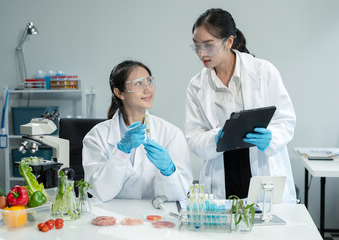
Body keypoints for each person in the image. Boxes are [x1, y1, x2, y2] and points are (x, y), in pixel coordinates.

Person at [185, 8, 296, 203]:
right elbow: (193, 136)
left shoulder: (263, 71)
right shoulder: (196, 85)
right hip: (222, 170)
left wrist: (270, 138)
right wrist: (215, 137)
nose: (201, 53)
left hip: (260, 164)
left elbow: (285, 120)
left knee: (266, 229)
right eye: (196, 46)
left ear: (229, 42)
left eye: (209, 45)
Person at [83, 60, 193, 202]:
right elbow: (99, 193)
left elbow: (181, 194)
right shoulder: (96, 136)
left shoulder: (171, 134)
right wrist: (121, 152)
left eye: (149, 81)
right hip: (111, 219)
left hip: (153, 219)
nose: (148, 90)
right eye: (139, 83)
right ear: (119, 93)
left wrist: (169, 172)